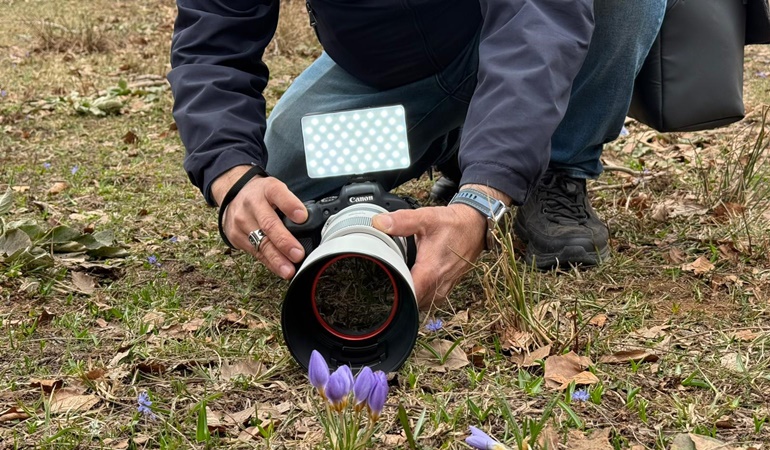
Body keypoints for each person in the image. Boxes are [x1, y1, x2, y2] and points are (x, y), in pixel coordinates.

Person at [168, 0, 667, 309]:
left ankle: (560, 165)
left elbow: (540, 21)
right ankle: (456, 145)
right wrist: (233, 176)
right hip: (392, 77)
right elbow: (213, 36)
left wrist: (483, 199)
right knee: (282, 186)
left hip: (512, 30)